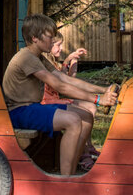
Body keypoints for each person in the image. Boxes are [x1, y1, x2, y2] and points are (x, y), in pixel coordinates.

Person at [3, 14, 118, 177]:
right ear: (35, 38)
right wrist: (98, 100)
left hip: (31, 108)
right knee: (73, 121)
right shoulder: (26, 58)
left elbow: (65, 79)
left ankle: (71, 173)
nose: (52, 41)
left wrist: (103, 89)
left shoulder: (38, 57)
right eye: (49, 37)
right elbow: (60, 86)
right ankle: (65, 180)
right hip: (19, 111)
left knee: (86, 117)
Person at [40, 35, 98, 166]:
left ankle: (86, 147)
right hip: (47, 102)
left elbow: (70, 79)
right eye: (58, 45)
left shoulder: (54, 63)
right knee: (84, 110)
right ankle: (83, 152)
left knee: (91, 107)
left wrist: (73, 61)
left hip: (56, 100)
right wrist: (67, 60)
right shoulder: (44, 64)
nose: (61, 48)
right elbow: (61, 85)